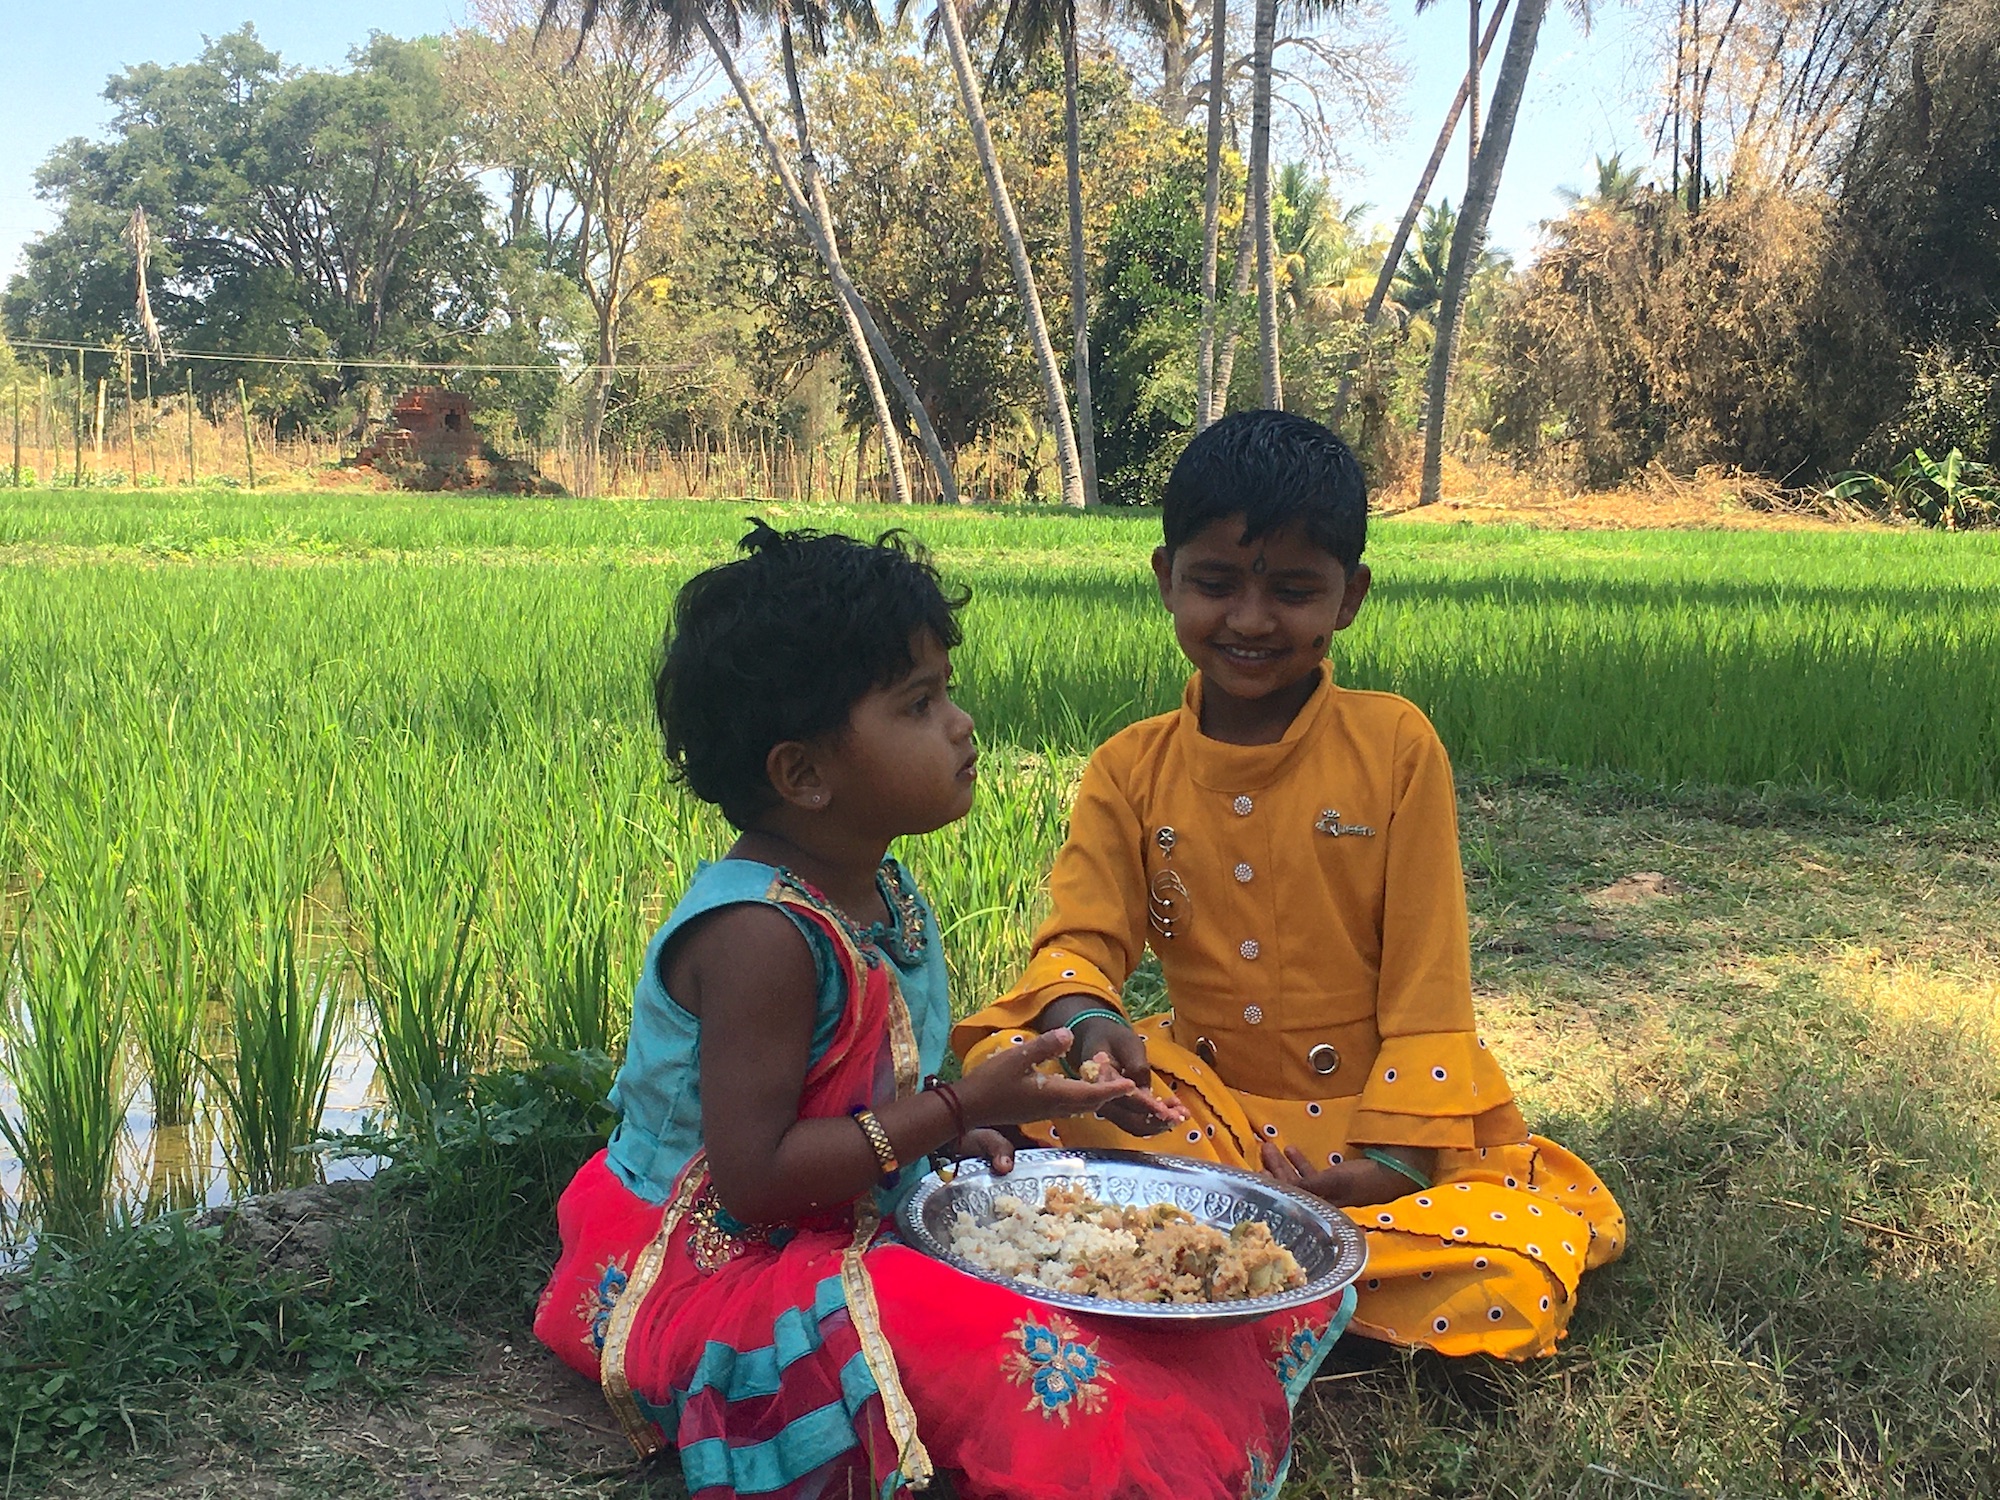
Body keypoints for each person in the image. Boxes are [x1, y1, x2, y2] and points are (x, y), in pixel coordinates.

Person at [536, 522, 1354, 1500]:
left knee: (1146, 1287)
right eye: (918, 705)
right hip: (714, 1260)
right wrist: (955, 1111)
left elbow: (873, 1088)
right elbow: (753, 1181)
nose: (960, 724)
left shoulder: (878, 885)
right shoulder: (757, 936)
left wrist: (988, 1120)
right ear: (803, 774)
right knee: (1052, 1370)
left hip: (834, 1216)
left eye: (944, 691)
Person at [953, 411, 1627, 1360]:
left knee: (1509, 1274)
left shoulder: (1396, 746)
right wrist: (1090, 1019)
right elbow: (1081, 936)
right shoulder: (1127, 767)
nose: (1253, 621)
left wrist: (1390, 1165)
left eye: (1295, 591)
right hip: (1201, 1115)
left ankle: (1225, 1267)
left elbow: (1430, 973)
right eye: (1217, 584)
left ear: (1348, 597)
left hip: (1373, 1121)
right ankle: (1273, 1273)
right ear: (1166, 580)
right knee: (1013, 1087)